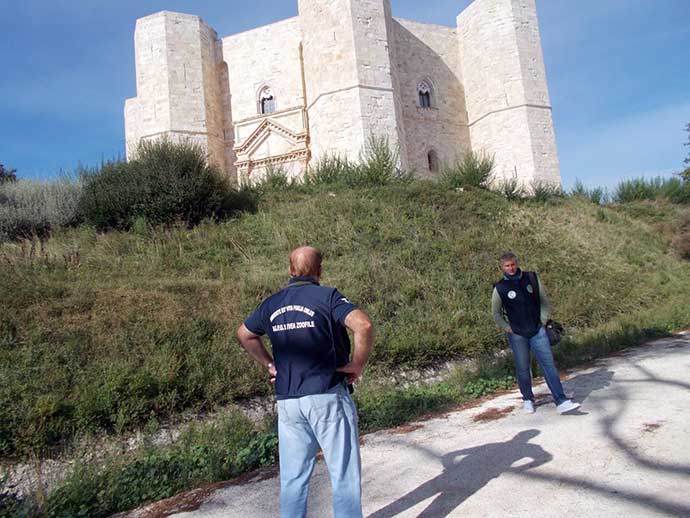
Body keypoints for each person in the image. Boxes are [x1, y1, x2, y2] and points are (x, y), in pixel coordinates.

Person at [236, 246, 374, 518]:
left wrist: (269, 364)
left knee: (293, 478)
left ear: (290, 271)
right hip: (327, 396)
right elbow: (364, 325)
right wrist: (357, 364)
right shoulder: (328, 297)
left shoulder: (270, 304)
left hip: (288, 402)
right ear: (319, 271)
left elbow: (244, 334)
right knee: (343, 473)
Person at [491, 252, 580, 415]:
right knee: (523, 368)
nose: (510, 268)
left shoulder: (531, 278)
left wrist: (544, 320)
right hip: (517, 334)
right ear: (502, 267)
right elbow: (496, 313)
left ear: (516, 264)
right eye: (507, 266)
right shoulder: (500, 288)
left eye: (512, 264)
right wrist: (507, 327)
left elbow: (544, 301)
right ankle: (527, 399)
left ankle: (561, 400)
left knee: (549, 365)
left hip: (537, 330)